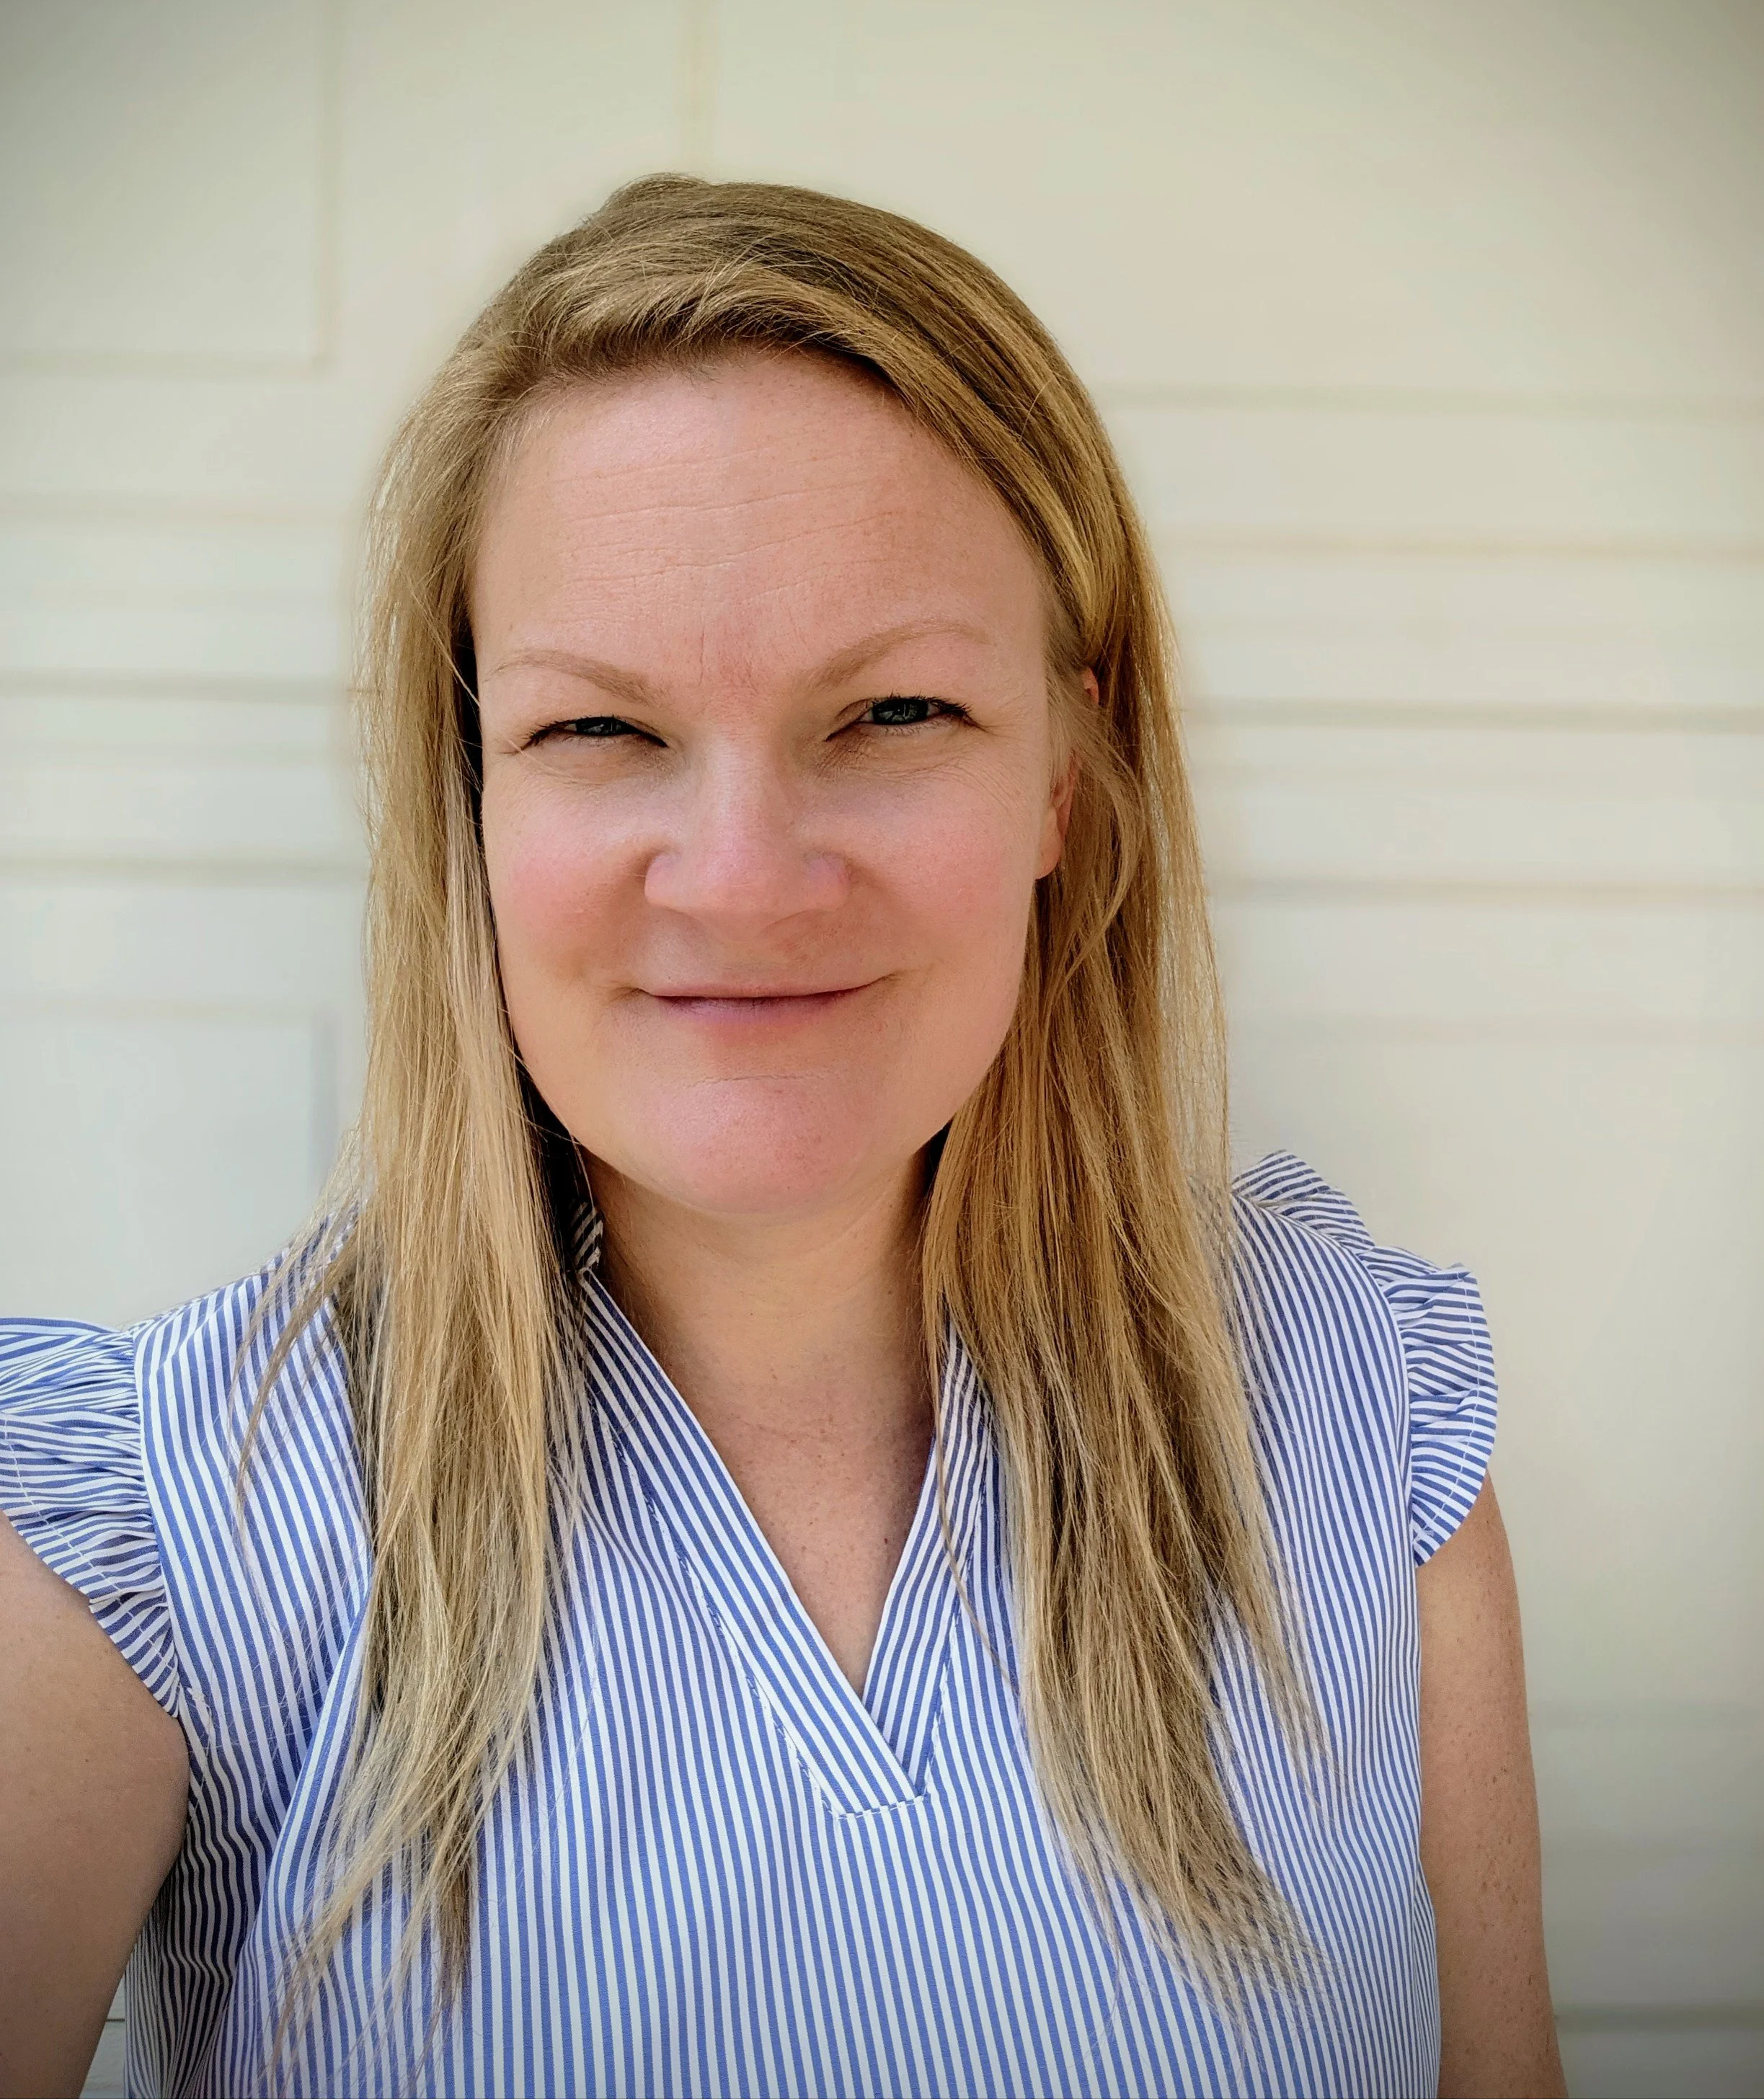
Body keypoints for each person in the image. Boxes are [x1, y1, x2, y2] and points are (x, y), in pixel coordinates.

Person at [0, 177, 1564, 2099]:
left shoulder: (1352, 1420)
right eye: (599, 732)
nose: (741, 879)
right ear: (470, 796)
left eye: (892, 710)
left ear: (1064, 778)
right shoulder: (153, 1538)